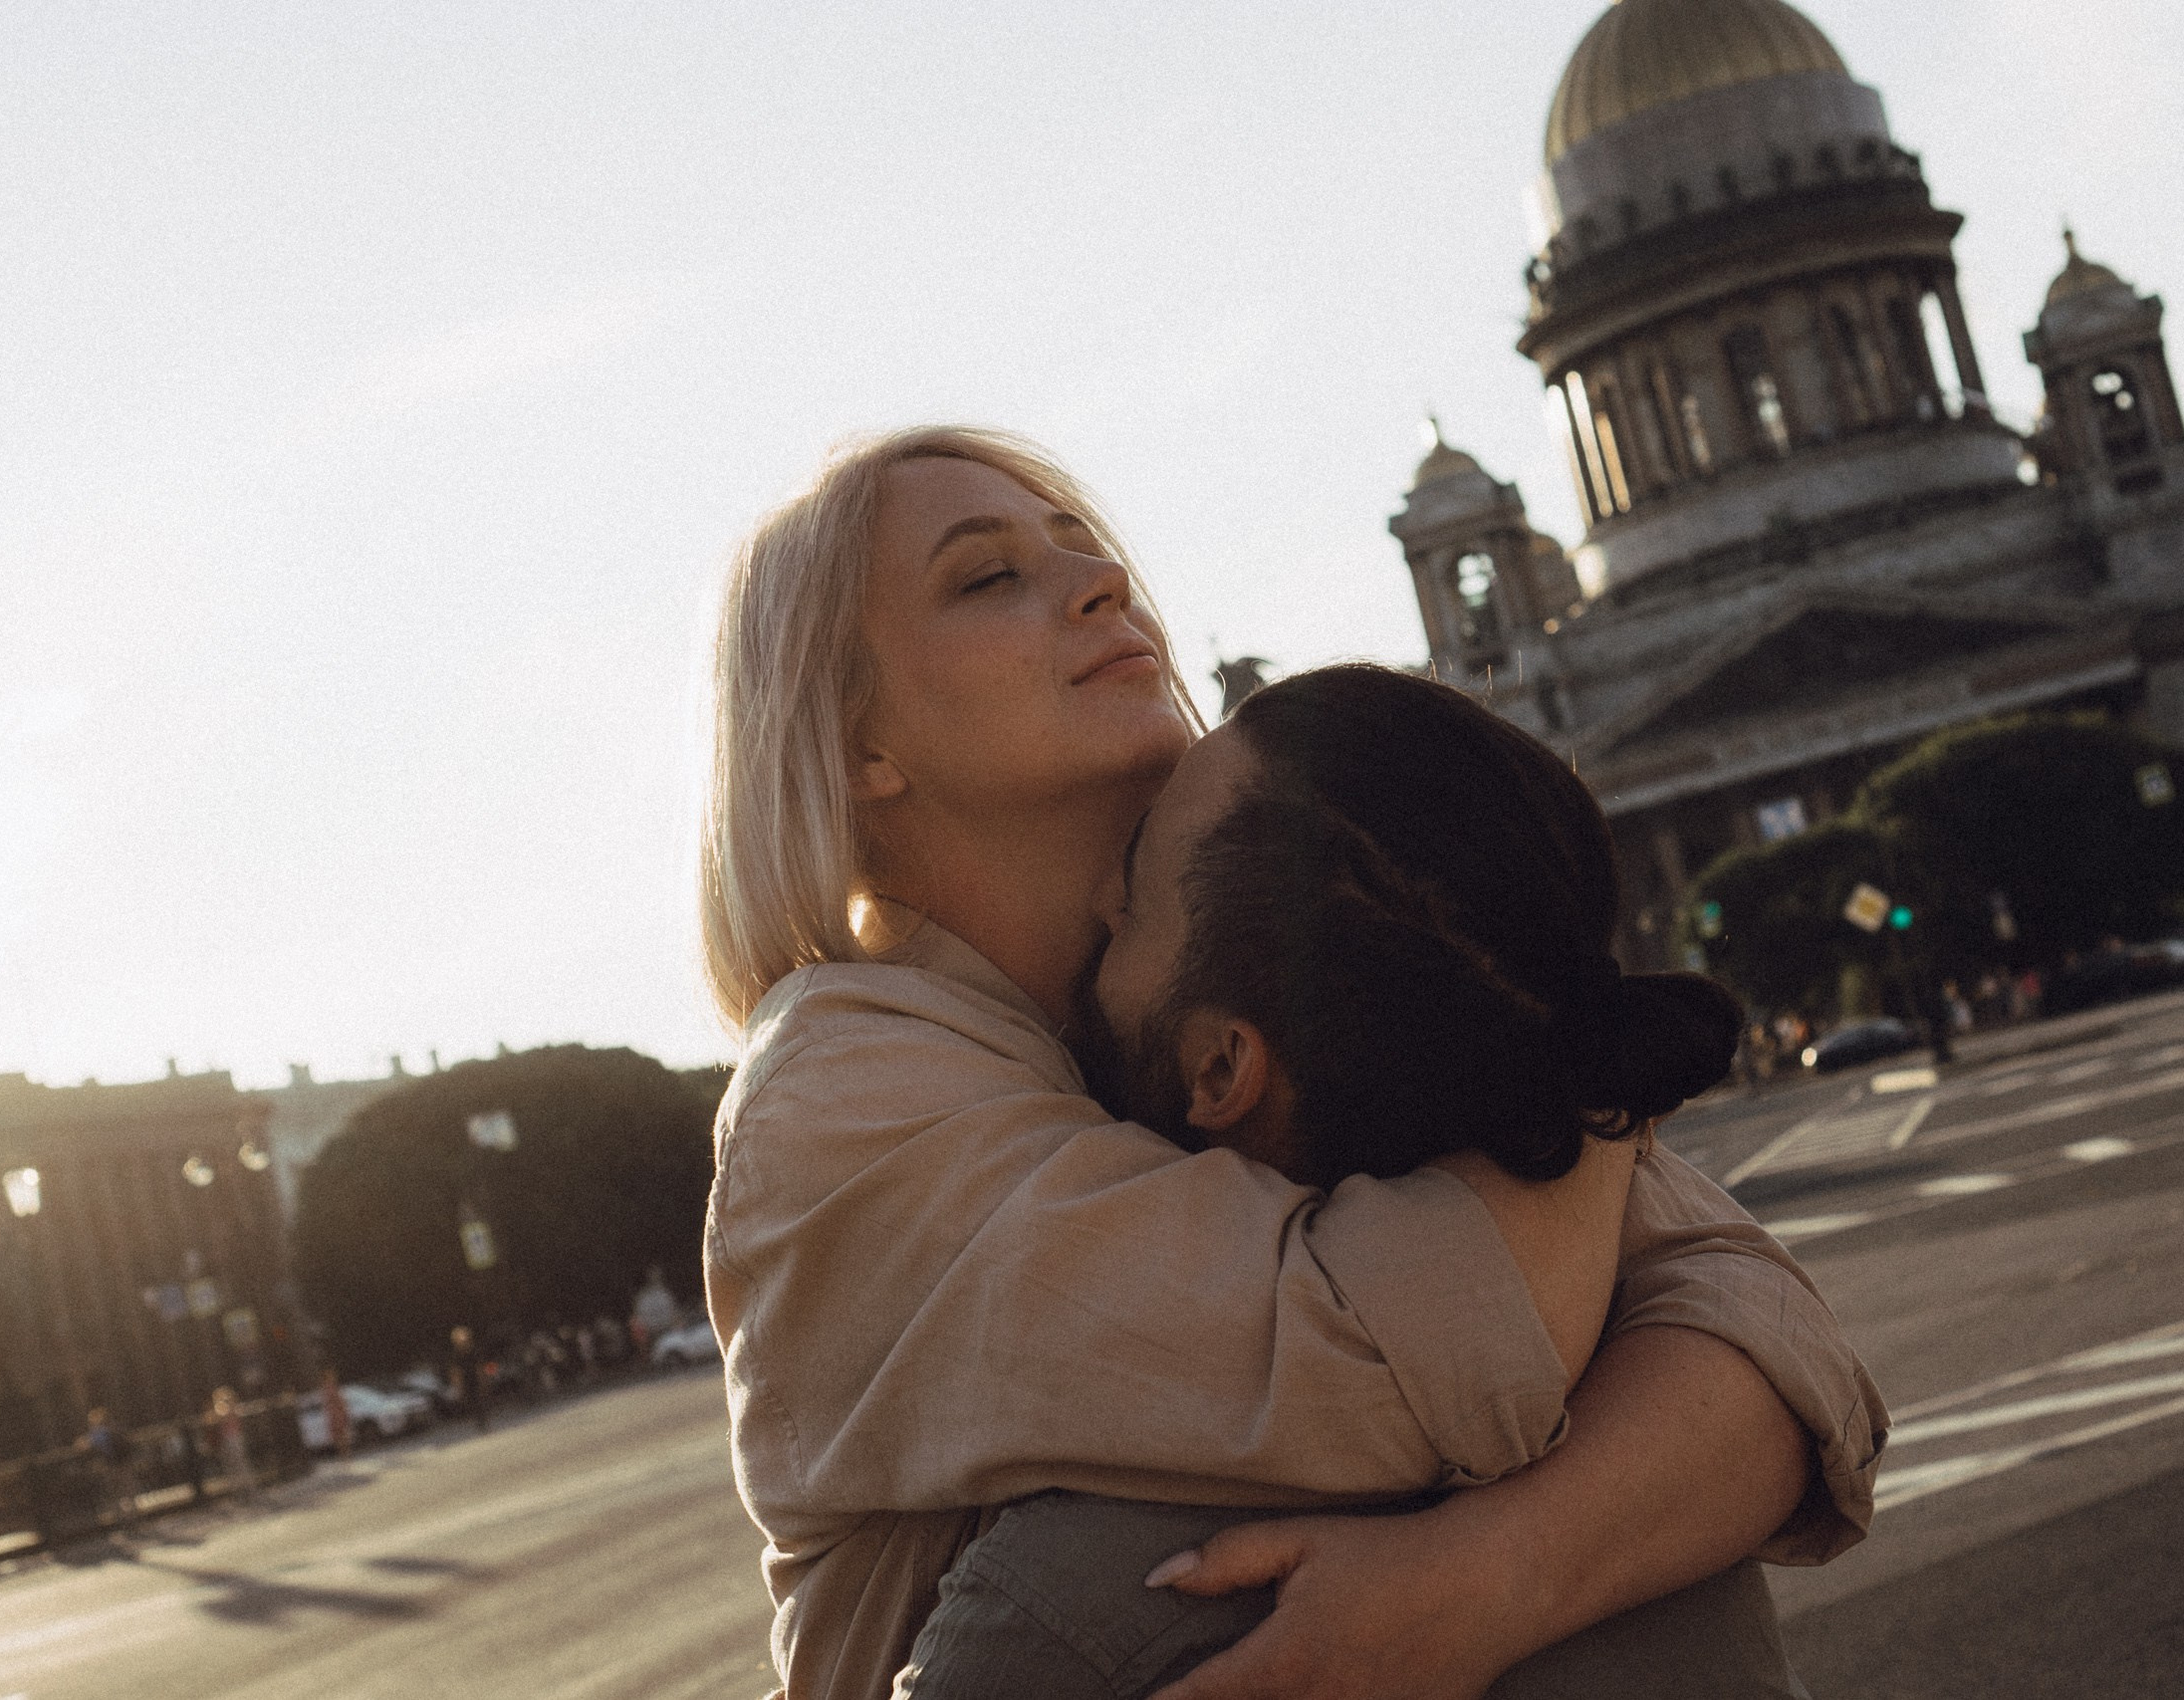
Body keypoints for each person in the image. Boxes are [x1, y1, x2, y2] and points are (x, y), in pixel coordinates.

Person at [701, 427, 1884, 1700]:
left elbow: (1779, 1356)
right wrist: (1566, 1032)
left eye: (1085, 550)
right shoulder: (841, 1094)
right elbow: (1402, 1367)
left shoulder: (1212, 984)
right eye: (987, 577)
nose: (1103, 585)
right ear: (854, 741)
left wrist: (1482, 1582)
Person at [902, 663, 1816, 1698]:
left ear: (1220, 1069)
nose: (1100, 900)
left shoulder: (1067, 1607)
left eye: (1134, 900)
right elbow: (1787, 1339)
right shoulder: (1665, 1495)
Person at [209, 1386, 255, 1503]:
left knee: (238, 1465)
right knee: (234, 1467)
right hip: (229, 1440)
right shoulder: (226, 1408)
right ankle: (241, 1490)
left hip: (233, 1439)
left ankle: (246, 1489)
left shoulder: (229, 1408)